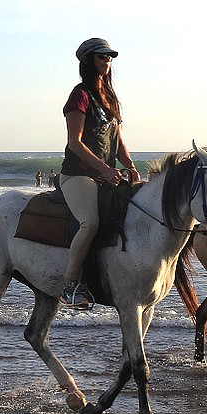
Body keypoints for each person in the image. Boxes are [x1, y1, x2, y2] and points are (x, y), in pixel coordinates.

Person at [58, 38, 142, 308]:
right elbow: (75, 142)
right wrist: (105, 169)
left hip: (105, 175)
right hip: (78, 175)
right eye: (101, 58)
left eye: (109, 58)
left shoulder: (111, 99)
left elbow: (117, 142)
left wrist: (129, 165)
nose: (107, 62)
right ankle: (71, 285)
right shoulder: (79, 95)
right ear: (88, 62)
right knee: (90, 223)